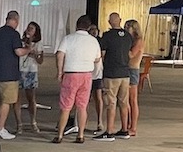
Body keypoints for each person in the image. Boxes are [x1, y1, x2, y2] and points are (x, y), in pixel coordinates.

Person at [52, 15, 102, 144]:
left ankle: (60, 135)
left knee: (66, 106)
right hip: (86, 75)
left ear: (76, 25)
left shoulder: (68, 39)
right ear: (89, 27)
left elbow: (60, 54)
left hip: (71, 74)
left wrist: (59, 71)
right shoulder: (93, 41)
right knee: (82, 106)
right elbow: (97, 58)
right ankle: (80, 135)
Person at [0, 11, 29, 140]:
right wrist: (29, 49)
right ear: (16, 20)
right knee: (6, 102)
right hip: (9, 73)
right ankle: (1, 128)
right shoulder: (14, 34)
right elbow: (18, 51)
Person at [97, 12, 132, 139]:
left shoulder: (107, 36)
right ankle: (124, 129)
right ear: (120, 20)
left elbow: (102, 54)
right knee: (124, 102)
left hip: (112, 73)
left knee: (111, 102)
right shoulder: (128, 36)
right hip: (125, 73)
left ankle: (109, 131)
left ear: (109, 22)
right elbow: (129, 53)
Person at [19, 21, 44, 133]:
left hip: (31, 71)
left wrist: (35, 54)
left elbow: (41, 61)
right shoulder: (20, 42)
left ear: (36, 32)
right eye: (28, 28)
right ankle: (19, 124)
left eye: (32, 28)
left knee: (31, 98)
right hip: (20, 70)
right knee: (17, 98)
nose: (29, 30)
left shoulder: (38, 44)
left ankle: (33, 121)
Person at [125, 19, 144, 137]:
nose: (126, 29)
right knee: (125, 100)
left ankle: (133, 127)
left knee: (132, 100)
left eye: (128, 27)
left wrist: (122, 46)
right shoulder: (130, 40)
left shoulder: (138, 41)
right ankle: (127, 124)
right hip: (126, 69)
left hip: (133, 70)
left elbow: (132, 55)